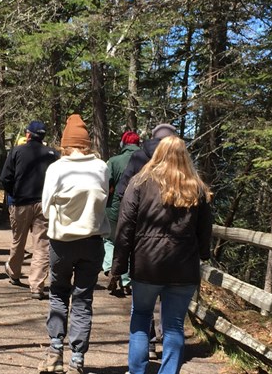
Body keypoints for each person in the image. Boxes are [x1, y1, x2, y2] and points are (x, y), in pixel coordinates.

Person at [111, 135, 212, 374]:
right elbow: (204, 229)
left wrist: (118, 266)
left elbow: (126, 226)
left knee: (141, 318)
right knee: (174, 326)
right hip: (183, 267)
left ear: (157, 155)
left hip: (147, 265)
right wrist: (204, 254)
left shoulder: (140, 182)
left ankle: (137, 371)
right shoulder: (196, 188)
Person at [38, 114, 109, 374]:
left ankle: (54, 351)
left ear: (65, 144)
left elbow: (46, 208)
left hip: (62, 242)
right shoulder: (101, 167)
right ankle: (77, 360)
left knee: (58, 294)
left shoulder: (57, 168)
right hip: (92, 241)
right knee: (83, 299)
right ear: (87, 144)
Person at [111, 123, 179, 354]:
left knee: (141, 309)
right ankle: (165, 349)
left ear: (152, 137)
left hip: (145, 247)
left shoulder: (139, 157)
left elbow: (122, 192)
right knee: (173, 316)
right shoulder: (182, 162)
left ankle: (147, 344)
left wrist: (119, 262)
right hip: (179, 248)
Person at [0, 120, 58, 299]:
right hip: (44, 204)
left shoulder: (17, 151)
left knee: (18, 240)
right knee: (42, 244)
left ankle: (14, 272)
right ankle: (37, 286)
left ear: (27, 134)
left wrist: (13, 194)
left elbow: (5, 177)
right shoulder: (53, 154)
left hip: (21, 202)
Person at [102, 129, 140, 292]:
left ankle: (111, 268)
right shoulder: (149, 161)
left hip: (115, 207)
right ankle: (126, 280)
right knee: (131, 243)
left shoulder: (114, 161)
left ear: (123, 143)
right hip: (138, 208)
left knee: (110, 240)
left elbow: (107, 185)